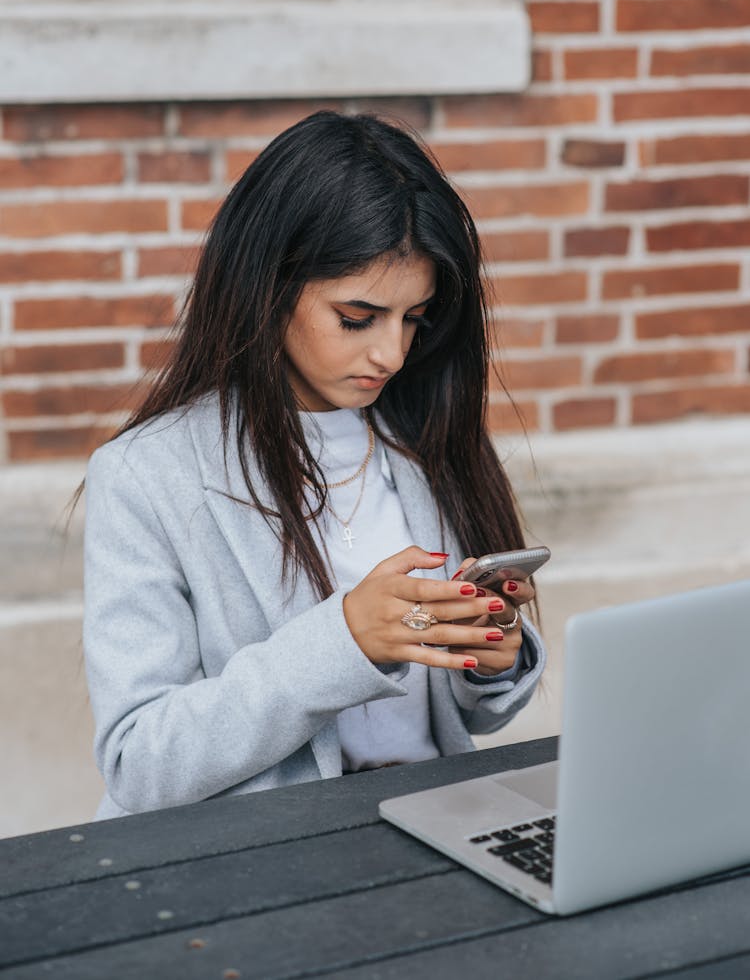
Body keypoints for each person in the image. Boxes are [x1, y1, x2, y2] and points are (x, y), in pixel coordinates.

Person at [83, 110, 546, 820]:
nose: (391, 354)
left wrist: (494, 654)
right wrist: (343, 643)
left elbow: (474, 721)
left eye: (415, 318)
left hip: (439, 826)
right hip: (262, 864)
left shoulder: (428, 434)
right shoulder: (149, 476)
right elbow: (138, 763)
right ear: (268, 287)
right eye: (358, 318)